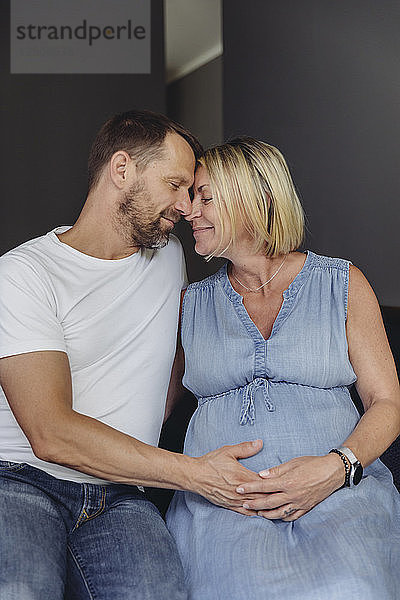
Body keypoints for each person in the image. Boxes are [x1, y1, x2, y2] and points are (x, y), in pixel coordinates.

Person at [0, 112, 268, 600]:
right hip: (20, 482)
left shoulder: (167, 256)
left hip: (122, 494)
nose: (188, 207)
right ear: (121, 169)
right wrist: (195, 474)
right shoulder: (23, 274)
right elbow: (50, 433)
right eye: (176, 185)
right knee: (20, 589)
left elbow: (180, 356)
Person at [166, 137, 400, 600]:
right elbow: (149, 409)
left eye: (205, 196)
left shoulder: (342, 283)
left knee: (355, 587)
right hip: (225, 504)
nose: (189, 211)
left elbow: (387, 403)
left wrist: (337, 469)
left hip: (339, 493)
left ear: (257, 199)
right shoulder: (188, 304)